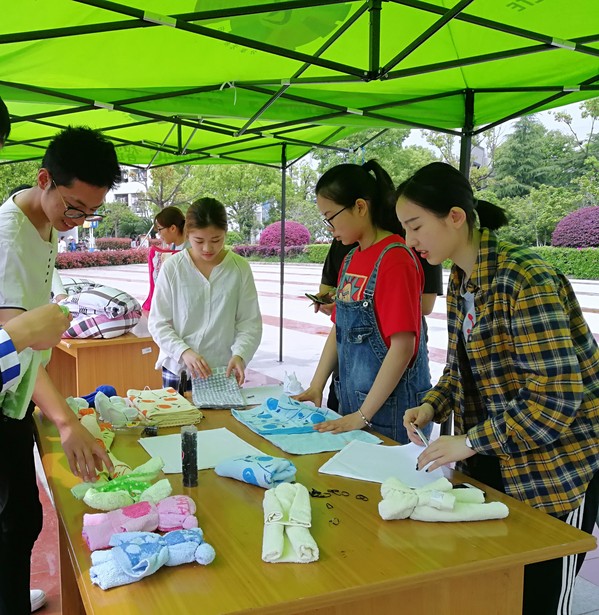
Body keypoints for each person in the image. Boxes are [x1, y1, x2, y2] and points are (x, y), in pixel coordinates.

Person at [397, 161, 599, 615]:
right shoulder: (461, 279)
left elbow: (556, 396)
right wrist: (431, 406)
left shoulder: (525, 278)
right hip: (494, 461)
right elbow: (460, 368)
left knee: (539, 598)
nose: (410, 241)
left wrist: (469, 441)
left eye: (415, 226)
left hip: (553, 472)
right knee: (495, 592)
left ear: (455, 217)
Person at [0, 125, 118, 615]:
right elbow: (15, 344)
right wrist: (67, 422)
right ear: (44, 179)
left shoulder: (44, 223)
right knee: (15, 518)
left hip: (18, 395)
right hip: (7, 396)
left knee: (22, 516)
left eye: (91, 212)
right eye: (74, 208)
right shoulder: (9, 237)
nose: (79, 221)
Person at [296, 160, 434, 444]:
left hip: (392, 412)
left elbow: (403, 347)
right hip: (355, 406)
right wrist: (316, 385)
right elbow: (340, 329)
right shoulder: (351, 258)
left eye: (330, 217)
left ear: (360, 207)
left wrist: (362, 415)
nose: (330, 228)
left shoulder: (395, 259)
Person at [148, 197, 262, 391]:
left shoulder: (239, 268)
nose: (208, 248)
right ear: (187, 233)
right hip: (179, 369)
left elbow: (249, 322)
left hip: (222, 370)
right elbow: (158, 322)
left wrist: (240, 355)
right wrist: (184, 351)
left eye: (216, 240)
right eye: (199, 241)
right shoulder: (173, 268)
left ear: (225, 233)